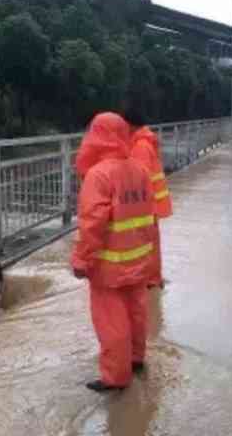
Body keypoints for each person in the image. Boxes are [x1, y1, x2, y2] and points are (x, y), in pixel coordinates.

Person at [71, 112, 157, 392]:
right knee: (137, 312)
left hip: (109, 265)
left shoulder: (98, 175)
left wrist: (82, 260)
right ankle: (136, 359)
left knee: (111, 322)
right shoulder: (140, 171)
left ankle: (116, 377)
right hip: (138, 258)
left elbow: (92, 224)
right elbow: (149, 217)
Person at [123, 107, 173, 289]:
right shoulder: (143, 142)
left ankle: (151, 280)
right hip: (151, 204)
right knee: (151, 243)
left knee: (146, 245)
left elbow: (138, 180)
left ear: (130, 125)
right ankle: (153, 278)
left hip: (146, 205)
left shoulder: (141, 146)